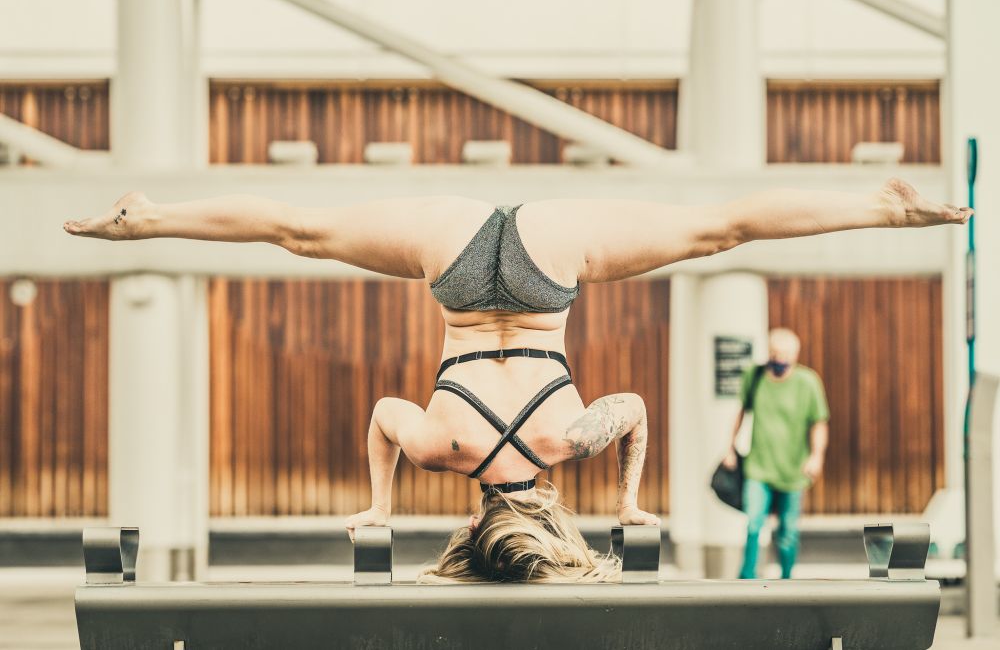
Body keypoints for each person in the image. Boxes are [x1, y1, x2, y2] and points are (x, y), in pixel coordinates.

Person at [64, 179, 970, 582]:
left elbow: (639, 410)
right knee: (297, 230)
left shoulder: (563, 443)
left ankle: (879, 208)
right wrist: (380, 501)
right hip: (454, 265)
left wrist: (631, 495)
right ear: (473, 521)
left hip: (547, 272)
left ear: (545, 509)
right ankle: (152, 218)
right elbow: (384, 414)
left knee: (718, 229)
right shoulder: (441, 451)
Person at [723, 328, 828, 579]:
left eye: (785, 356)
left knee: (788, 532)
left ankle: (787, 580)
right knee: (753, 525)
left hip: (793, 470)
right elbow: (741, 412)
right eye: (775, 354)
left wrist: (816, 456)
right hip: (759, 468)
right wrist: (730, 447)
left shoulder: (808, 382)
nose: (779, 361)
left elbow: (819, 423)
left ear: (795, 356)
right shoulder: (755, 376)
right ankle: (746, 579)